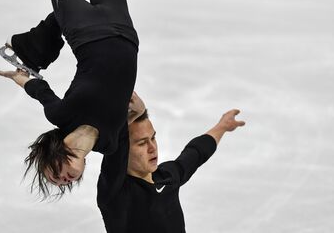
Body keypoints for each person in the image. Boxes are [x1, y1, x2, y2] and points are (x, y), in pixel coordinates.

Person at [0, 0, 140, 199]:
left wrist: (18, 73)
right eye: (65, 183)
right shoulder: (111, 144)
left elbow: (38, 89)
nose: (64, 178)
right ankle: (45, 34)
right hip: (123, 29)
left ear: (53, 152)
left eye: (55, 174)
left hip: (85, 32)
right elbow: (116, 191)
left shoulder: (60, 116)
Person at [98, 93, 245, 232]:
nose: (152, 148)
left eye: (153, 138)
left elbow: (195, 153)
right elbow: (113, 151)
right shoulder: (116, 192)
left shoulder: (166, 176)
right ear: (123, 149)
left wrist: (222, 126)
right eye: (142, 143)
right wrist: (134, 113)